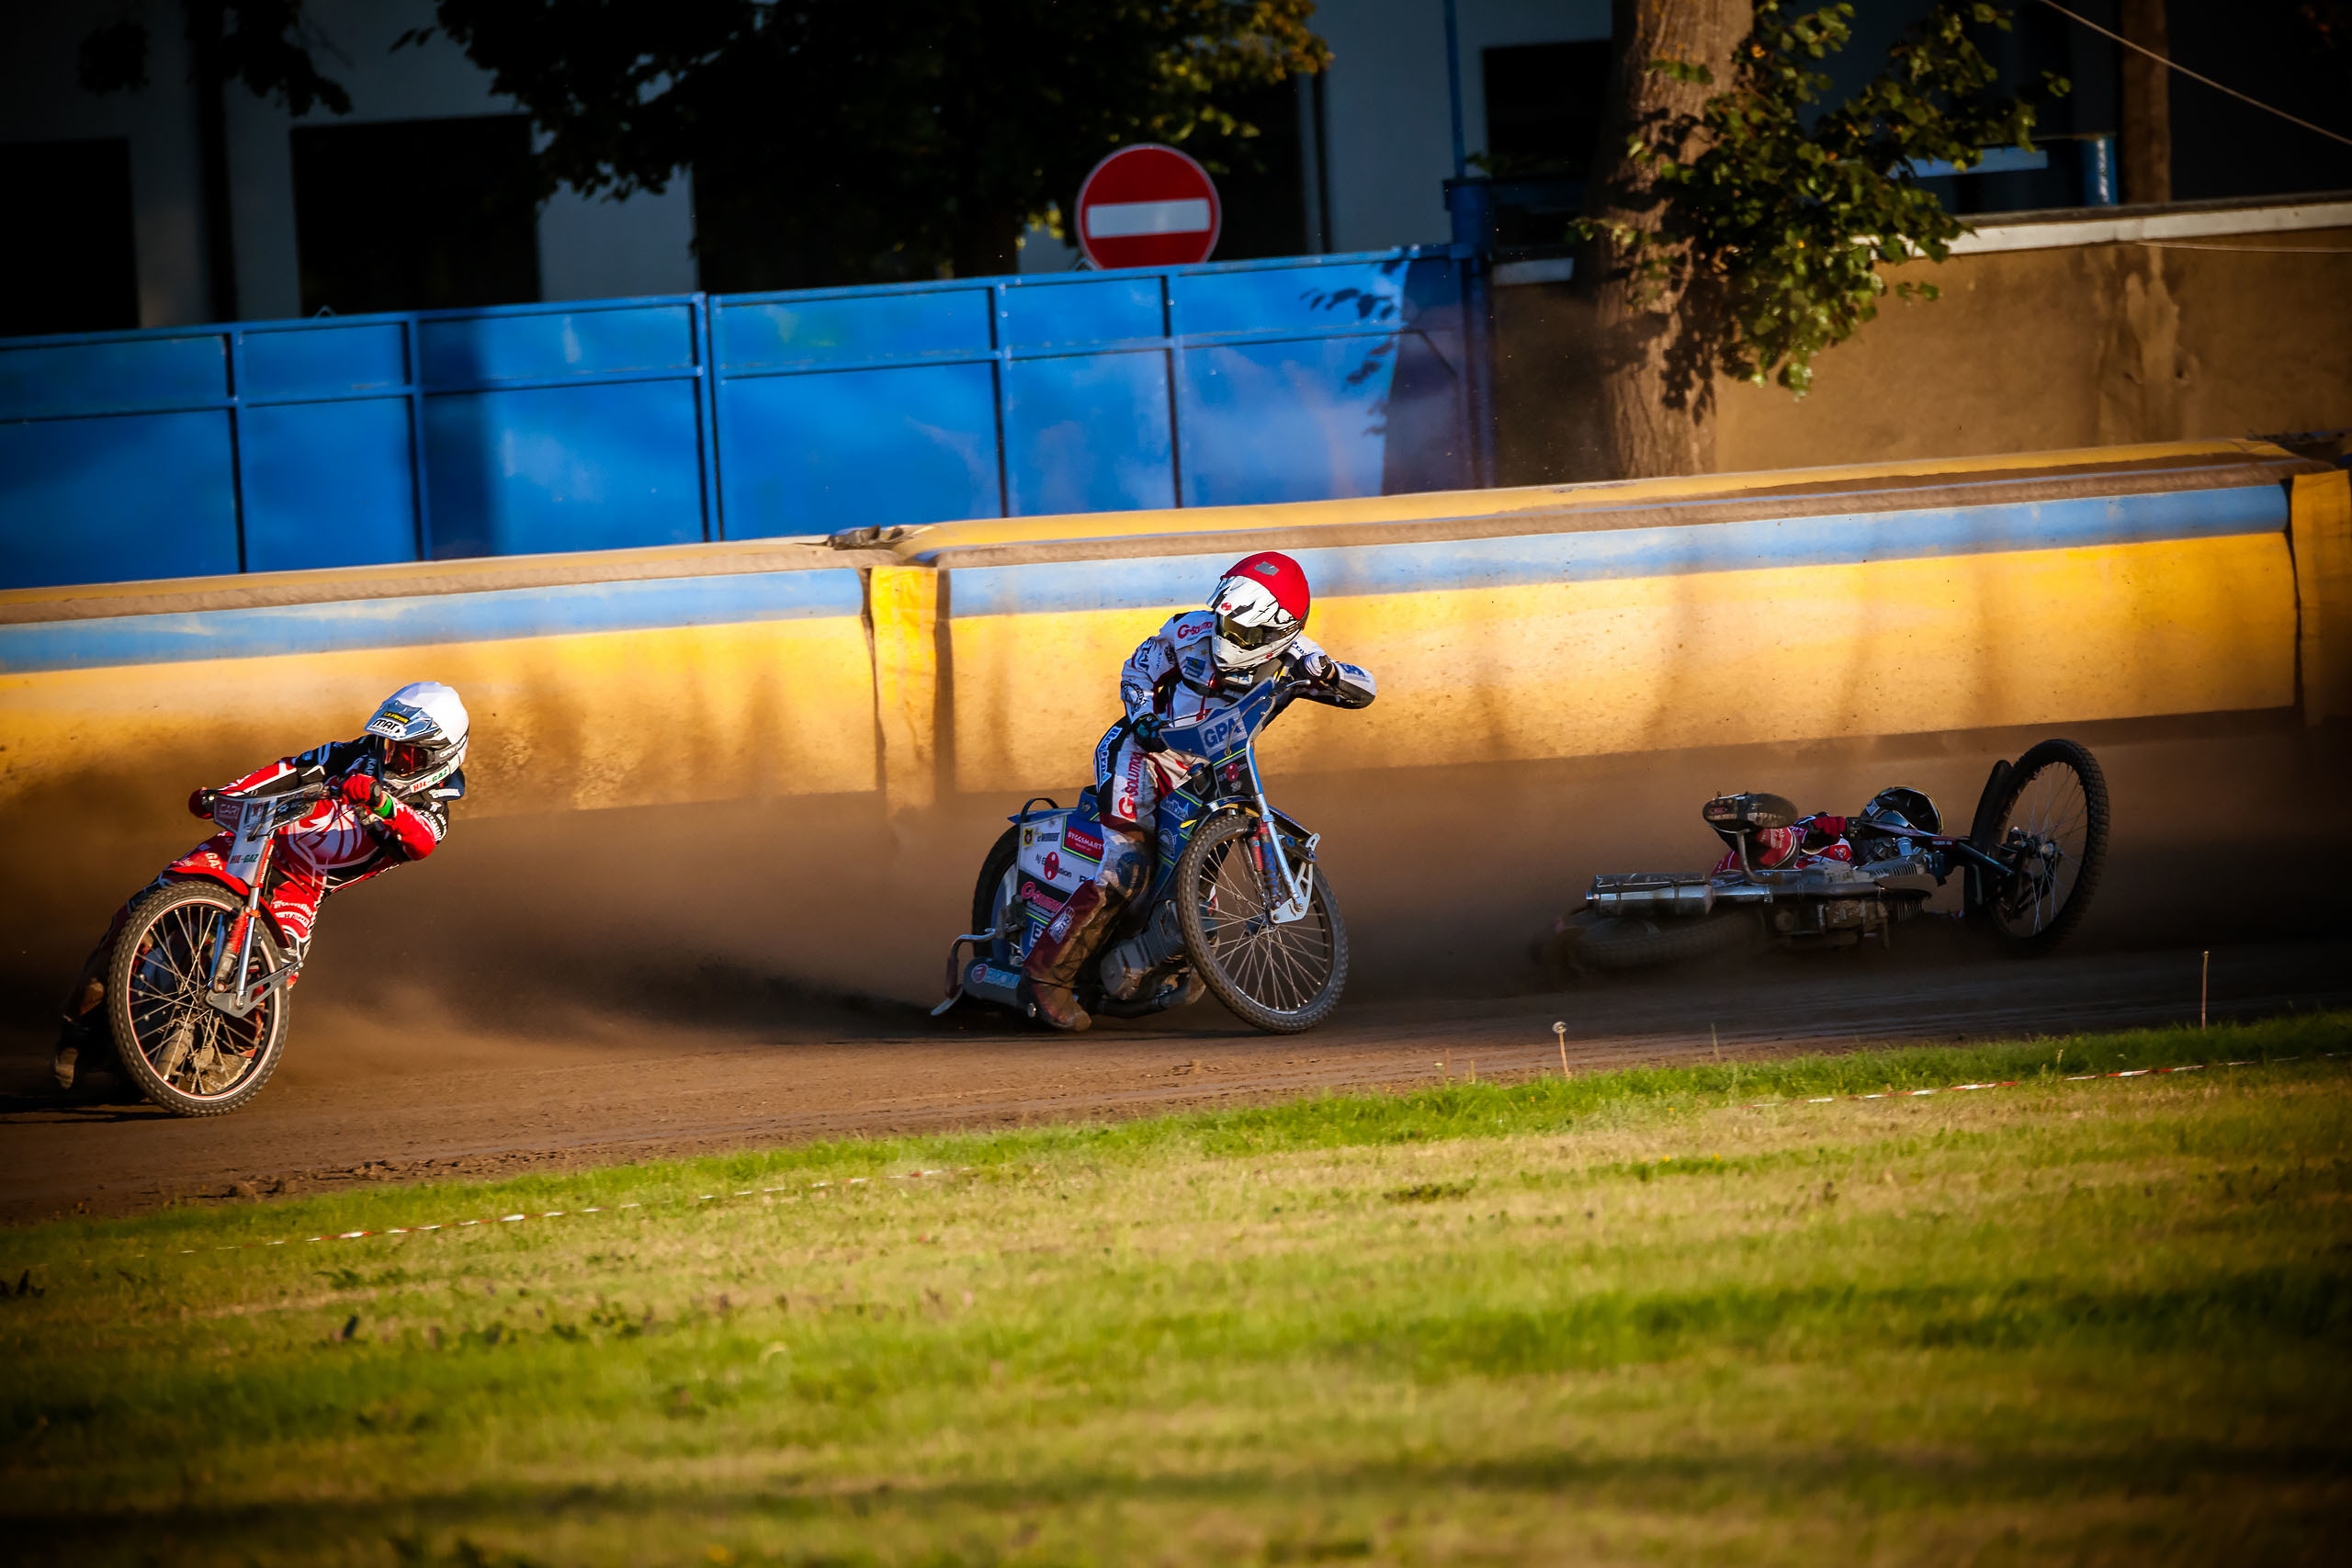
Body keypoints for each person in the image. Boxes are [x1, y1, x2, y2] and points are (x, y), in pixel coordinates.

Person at [51, 682, 469, 1090]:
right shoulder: (351, 753)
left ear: (441, 757)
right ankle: (80, 1029)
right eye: (385, 745)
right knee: (139, 912)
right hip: (255, 837)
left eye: (406, 752)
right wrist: (224, 795)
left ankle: (226, 1058)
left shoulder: (435, 805)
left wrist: (380, 801)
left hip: (303, 883)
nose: (390, 757)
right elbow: (289, 769)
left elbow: (420, 843)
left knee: (273, 972)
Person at [1021, 552, 1376, 1031]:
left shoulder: (1298, 656)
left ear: (1280, 632)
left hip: (1208, 769)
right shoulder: (1189, 630)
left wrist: (1330, 674)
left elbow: (1365, 687)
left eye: (1246, 635)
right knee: (1128, 866)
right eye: (1227, 624)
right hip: (1141, 754)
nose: (1229, 638)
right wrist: (1143, 715)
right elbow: (1136, 671)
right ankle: (1046, 979)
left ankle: (1165, 958)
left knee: (1198, 861)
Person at [1710, 785, 1941, 875]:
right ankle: (1739, 816)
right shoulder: (1837, 836)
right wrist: (1815, 837)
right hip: (1747, 879)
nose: (1896, 843)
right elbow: (1804, 832)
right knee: (1788, 844)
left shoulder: (1891, 889)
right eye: (1895, 828)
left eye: (1912, 843)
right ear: (1875, 814)